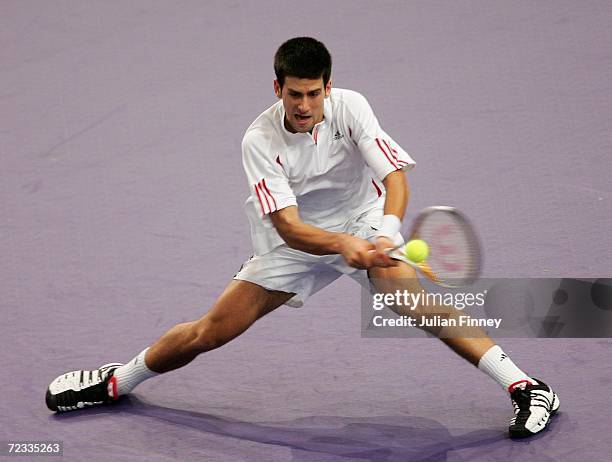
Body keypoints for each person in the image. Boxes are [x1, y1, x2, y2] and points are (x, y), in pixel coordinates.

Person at [45, 37, 558, 438]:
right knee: (213, 331)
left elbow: (395, 177)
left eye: (315, 92)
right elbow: (288, 226)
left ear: (328, 87)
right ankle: (117, 381)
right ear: (277, 89)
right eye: (295, 93)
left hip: (362, 222)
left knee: (414, 303)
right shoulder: (258, 140)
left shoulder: (352, 107)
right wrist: (340, 246)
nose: (305, 104)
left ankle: (528, 388)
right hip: (293, 243)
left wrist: (384, 231)